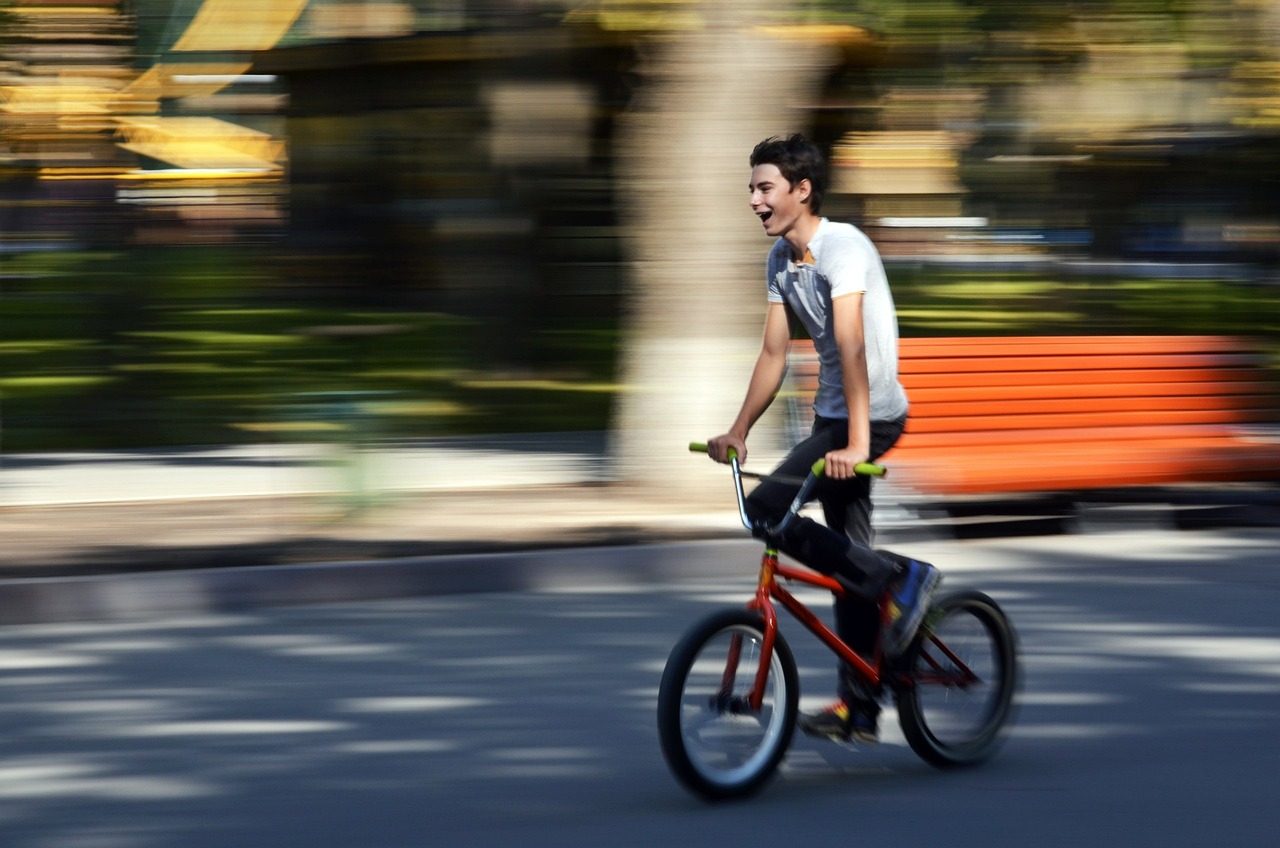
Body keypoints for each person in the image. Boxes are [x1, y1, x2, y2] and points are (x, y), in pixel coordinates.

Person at [705, 134, 940, 744]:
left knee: (766, 508)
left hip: (872, 418)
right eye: (751, 189)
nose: (754, 200)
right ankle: (859, 710)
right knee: (848, 562)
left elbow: (853, 346)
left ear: (802, 190)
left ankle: (901, 578)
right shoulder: (780, 261)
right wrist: (738, 430)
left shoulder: (844, 248)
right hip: (834, 421)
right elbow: (773, 354)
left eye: (765, 188)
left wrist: (857, 444)